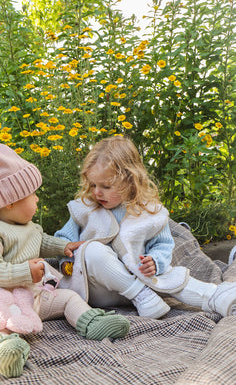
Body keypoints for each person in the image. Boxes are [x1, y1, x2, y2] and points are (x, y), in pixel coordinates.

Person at [0, 141, 130, 378]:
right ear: (10, 201)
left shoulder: (26, 226)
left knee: (69, 297)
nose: (37, 200)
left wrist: (64, 246)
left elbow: (41, 242)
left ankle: (91, 321)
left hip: (33, 298)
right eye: (33, 195)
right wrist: (23, 272)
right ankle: (1, 350)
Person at [55, 136, 236, 319]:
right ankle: (141, 295)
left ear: (130, 180)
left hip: (141, 280)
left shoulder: (149, 213)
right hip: (97, 289)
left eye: (105, 186)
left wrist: (155, 261)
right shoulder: (85, 209)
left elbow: (163, 245)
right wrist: (66, 260)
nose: (96, 192)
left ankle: (219, 297)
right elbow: (62, 240)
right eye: (92, 184)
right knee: (93, 250)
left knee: (173, 278)